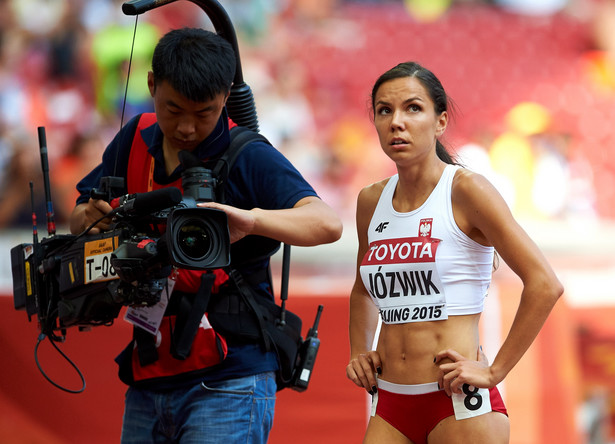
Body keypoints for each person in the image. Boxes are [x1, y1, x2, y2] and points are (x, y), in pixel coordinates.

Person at [69, 27, 342, 444]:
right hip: (148, 374)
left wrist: (250, 220)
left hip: (231, 378)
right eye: (173, 109)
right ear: (151, 86)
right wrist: (92, 215)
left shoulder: (247, 153)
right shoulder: (133, 137)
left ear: (225, 100)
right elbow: (78, 218)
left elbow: (326, 223)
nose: (187, 128)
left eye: (205, 113)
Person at [345, 61, 563, 444]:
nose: (397, 121)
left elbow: (545, 284)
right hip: (390, 403)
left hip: (460, 404)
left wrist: (495, 371)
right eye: (384, 110)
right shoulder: (370, 201)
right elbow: (364, 288)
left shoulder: (466, 190)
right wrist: (359, 350)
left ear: (440, 121)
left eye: (413, 108)